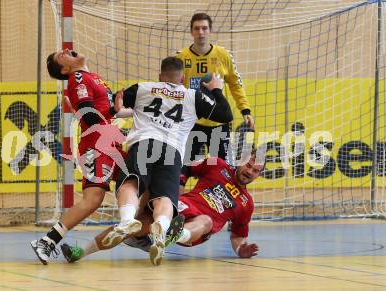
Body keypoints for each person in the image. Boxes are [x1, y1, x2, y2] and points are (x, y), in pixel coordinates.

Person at [97, 56, 233, 266]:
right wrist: (216, 89)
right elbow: (225, 114)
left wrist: (116, 107)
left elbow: (112, 104)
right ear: (183, 77)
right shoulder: (192, 96)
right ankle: (160, 227)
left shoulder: (143, 88)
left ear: (160, 76)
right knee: (165, 199)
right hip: (172, 151)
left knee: (131, 184)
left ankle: (126, 221)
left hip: (144, 144)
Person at [60, 149, 263, 262]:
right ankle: (80, 253)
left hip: (197, 228)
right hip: (179, 207)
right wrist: (180, 185)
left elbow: (238, 235)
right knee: (131, 226)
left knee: (206, 220)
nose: (249, 172)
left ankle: (174, 235)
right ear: (241, 161)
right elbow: (184, 166)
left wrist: (240, 250)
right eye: (248, 165)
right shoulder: (218, 165)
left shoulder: (247, 203)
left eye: (255, 171)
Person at [30, 48, 128, 265]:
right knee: (93, 199)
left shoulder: (93, 77)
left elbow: (103, 112)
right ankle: (47, 241)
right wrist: (117, 121)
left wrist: (117, 110)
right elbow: (89, 116)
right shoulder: (77, 78)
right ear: (65, 69)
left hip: (109, 140)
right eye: (61, 55)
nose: (66, 49)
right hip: (97, 144)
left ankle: (141, 231)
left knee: (136, 181)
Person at [176, 13, 254, 164]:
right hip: (192, 123)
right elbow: (174, 88)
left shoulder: (223, 55)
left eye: (204, 28)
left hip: (218, 124)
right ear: (191, 32)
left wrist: (245, 110)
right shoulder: (181, 57)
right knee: (182, 169)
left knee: (225, 169)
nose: (201, 32)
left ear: (210, 31)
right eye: (197, 28)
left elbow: (235, 83)